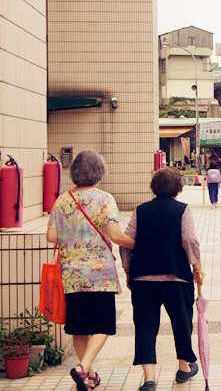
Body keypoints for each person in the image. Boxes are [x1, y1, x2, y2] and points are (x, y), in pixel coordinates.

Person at [46, 149, 136, 391]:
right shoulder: (104, 198)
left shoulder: (62, 200)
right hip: (99, 275)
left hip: (71, 275)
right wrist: (139, 244)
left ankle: (89, 376)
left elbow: (51, 236)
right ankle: (82, 367)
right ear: (99, 172)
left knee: (80, 327)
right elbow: (116, 235)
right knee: (103, 325)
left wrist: (74, 234)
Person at [121, 168, 205, 391]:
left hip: (143, 279)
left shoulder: (141, 210)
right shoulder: (182, 210)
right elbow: (189, 240)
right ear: (178, 187)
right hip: (176, 277)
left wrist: (129, 270)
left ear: (154, 186)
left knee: (145, 326)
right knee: (182, 322)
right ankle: (183, 368)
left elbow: (126, 241)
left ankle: (149, 379)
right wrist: (197, 266)